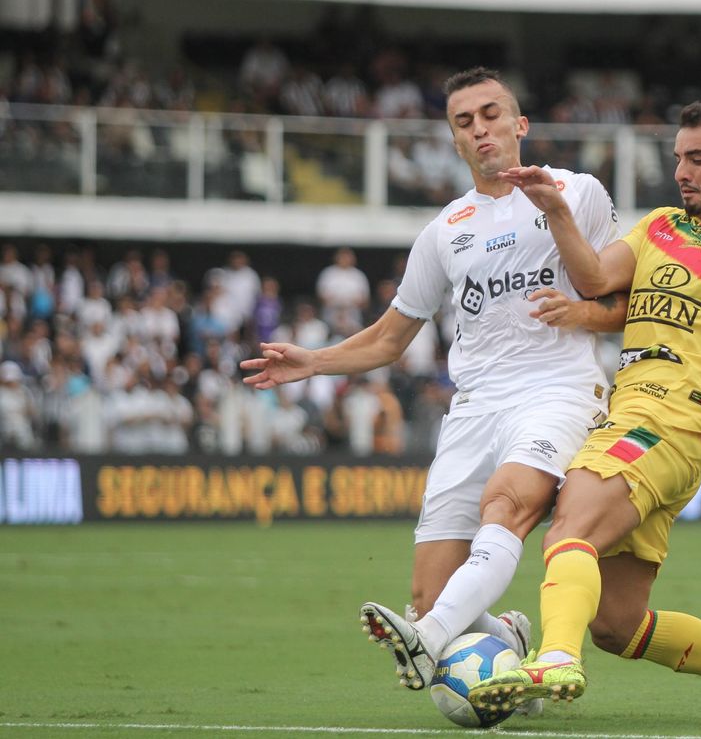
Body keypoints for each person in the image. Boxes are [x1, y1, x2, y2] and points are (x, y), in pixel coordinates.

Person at [239, 67, 626, 695]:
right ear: (454, 141)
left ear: (520, 124)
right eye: (464, 122)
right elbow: (391, 339)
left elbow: (620, 302)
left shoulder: (575, 190)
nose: (481, 129)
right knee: (428, 591)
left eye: (492, 114)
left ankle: (427, 641)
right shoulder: (445, 230)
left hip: (556, 388)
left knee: (504, 505)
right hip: (474, 408)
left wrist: (576, 292)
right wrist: (313, 361)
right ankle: (506, 639)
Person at [463, 102, 701, 724]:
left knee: (571, 530)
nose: (681, 171)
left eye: (697, 159)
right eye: (677, 158)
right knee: (616, 625)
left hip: (666, 420)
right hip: (648, 426)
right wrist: (557, 210)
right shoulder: (660, 225)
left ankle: (552, 658)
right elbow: (592, 279)